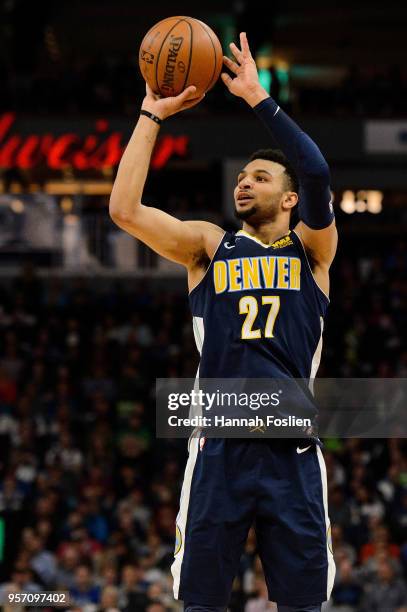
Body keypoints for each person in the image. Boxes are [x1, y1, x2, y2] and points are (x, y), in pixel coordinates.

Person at [110, 32, 337, 612]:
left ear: (289, 200)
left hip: (291, 450)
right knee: (201, 602)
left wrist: (259, 98)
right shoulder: (209, 247)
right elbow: (125, 210)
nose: (244, 181)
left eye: (260, 177)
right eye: (242, 176)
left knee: (305, 604)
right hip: (219, 449)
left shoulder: (310, 252)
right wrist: (150, 114)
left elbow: (314, 169)